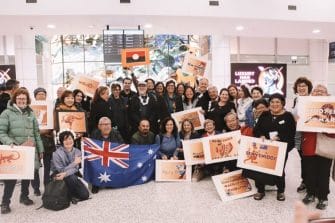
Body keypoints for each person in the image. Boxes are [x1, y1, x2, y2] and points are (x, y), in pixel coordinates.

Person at [0, 87, 44, 214]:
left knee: (27, 174)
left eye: (24, 98)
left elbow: (36, 133)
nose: (21, 101)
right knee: (11, 178)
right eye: (19, 98)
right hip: (14, 150)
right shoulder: (6, 114)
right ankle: (5, 202)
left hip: (30, 150)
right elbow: (1, 132)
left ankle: (24, 196)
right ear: (15, 99)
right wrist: (12, 143)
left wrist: (40, 149)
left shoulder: (31, 113)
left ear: (27, 100)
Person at [248, 93, 296, 201]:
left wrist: (279, 138)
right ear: (269, 103)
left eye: (277, 102)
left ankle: (280, 191)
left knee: (279, 170)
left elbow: (291, 134)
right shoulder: (264, 114)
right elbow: (256, 129)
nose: (275, 104)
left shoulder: (288, 116)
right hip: (264, 148)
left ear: (282, 103)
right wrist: (261, 135)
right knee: (260, 168)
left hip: (281, 149)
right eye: (272, 102)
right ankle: (260, 190)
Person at [301, 84, 334, 210]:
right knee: (309, 171)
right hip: (309, 143)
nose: (319, 92)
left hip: (326, 144)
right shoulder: (306, 105)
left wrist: (325, 126)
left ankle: (323, 197)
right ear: (312, 93)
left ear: (327, 94)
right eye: (316, 91)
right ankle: (310, 193)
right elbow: (301, 123)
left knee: (324, 173)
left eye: (322, 91)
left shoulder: (332, 105)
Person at [31, 87, 56, 196]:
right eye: (39, 94)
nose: (41, 96)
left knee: (47, 164)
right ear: (35, 96)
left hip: (48, 140)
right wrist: (40, 132)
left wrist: (48, 129)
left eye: (43, 94)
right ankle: (36, 187)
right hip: (35, 140)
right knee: (35, 165)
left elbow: (54, 123)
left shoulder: (50, 107)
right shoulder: (30, 108)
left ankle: (47, 183)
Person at [51, 131, 89, 202]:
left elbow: (76, 169)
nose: (68, 141)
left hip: (71, 176)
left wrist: (66, 173)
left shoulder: (77, 151)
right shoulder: (56, 154)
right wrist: (74, 163)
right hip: (59, 176)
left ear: (73, 139)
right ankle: (71, 195)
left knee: (85, 195)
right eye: (65, 140)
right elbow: (61, 170)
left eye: (70, 139)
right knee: (71, 177)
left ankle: (71, 193)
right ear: (62, 141)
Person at [90, 117, 124, 193]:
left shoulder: (116, 133)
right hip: (99, 158)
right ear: (99, 126)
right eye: (104, 124)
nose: (107, 126)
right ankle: (96, 184)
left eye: (109, 124)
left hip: (112, 158)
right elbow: (90, 149)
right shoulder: (94, 134)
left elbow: (122, 145)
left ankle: (112, 181)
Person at [291, 77, 313, 193]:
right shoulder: (296, 100)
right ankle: (305, 180)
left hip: (309, 134)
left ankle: (309, 182)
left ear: (308, 87)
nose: (301, 88)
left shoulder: (312, 100)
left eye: (304, 86)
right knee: (303, 159)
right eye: (299, 86)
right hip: (298, 134)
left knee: (308, 159)